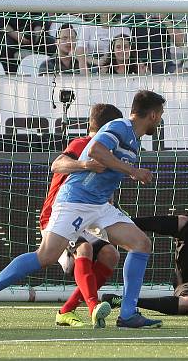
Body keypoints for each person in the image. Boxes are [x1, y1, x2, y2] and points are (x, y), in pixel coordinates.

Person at [0, 90, 166, 329]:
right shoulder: (120, 126)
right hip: (75, 201)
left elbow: (105, 164)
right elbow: (96, 150)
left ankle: (128, 314)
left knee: (140, 243)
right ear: (152, 115)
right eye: (160, 115)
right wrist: (132, 171)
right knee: (45, 256)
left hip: (98, 205)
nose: (160, 120)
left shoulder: (133, 137)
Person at [41, 103, 123, 328]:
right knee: (84, 249)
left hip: (85, 217)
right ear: (109, 128)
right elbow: (57, 164)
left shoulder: (108, 152)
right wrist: (85, 164)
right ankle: (93, 306)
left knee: (111, 255)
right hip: (58, 216)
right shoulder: (83, 144)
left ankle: (66, 310)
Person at [128, 0, 182, 74]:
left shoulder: (166, 16)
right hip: (139, 65)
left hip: (165, 64)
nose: (152, 1)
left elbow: (180, 42)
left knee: (181, 72)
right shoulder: (130, 19)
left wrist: (165, 19)